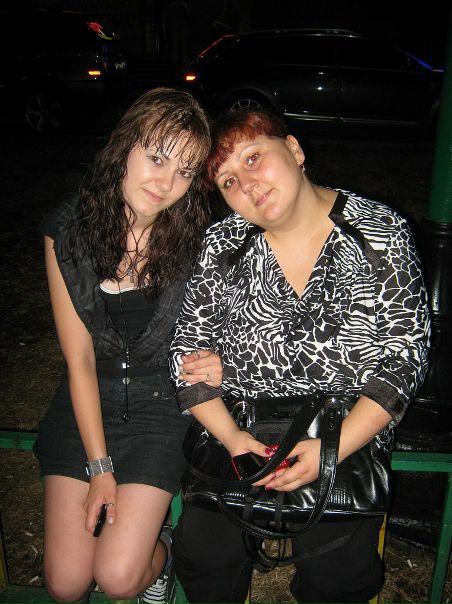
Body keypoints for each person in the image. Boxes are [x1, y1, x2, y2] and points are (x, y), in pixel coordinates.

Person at [169, 108, 431, 604]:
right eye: (228, 181)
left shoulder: (379, 231)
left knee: (339, 574)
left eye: (253, 158)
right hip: (240, 426)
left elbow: (404, 359)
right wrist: (232, 438)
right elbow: (186, 356)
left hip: (345, 425)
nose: (247, 184)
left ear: (293, 149)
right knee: (203, 554)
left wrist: (238, 366)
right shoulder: (224, 243)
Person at [34, 87, 222, 604]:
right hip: (85, 402)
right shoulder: (67, 233)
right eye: (157, 158)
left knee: (118, 578)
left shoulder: (198, 239)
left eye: (185, 172)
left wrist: (219, 357)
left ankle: (159, 560)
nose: (165, 183)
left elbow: (232, 321)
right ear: (124, 147)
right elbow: (78, 360)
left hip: (159, 409)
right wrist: (99, 468)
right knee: (66, 583)